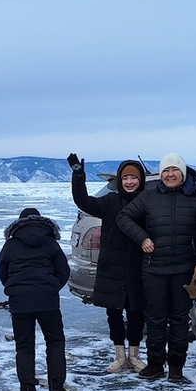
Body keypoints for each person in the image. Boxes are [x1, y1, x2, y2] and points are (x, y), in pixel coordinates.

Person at [116, 153, 196, 383]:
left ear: (182, 173)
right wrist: (142, 238)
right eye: (166, 171)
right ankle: (156, 364)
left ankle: (176, 366)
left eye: (174, 170)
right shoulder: (148, 197)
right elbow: (123, 217)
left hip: (183, 271)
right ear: (161, 174)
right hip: (154, 270)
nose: (170, 175)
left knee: (179, 320)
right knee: (156, 319)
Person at [68, 153, 148, 373]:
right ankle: (119, 357)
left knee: (136, 313)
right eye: (125, 178)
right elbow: (83, 201)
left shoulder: (148, 201)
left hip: (138, 266)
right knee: (113, 313)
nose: (129, 182)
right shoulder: (110, 201)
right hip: (112, 266)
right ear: (121, 180)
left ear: (140, 180)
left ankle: (135, 356)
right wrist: (78, 176)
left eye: (133, 178)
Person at [0, 207, 73, 391]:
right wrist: (51, 287)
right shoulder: (50, 243)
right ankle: (57, 390)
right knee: (55, 342)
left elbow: (3, 273)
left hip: (20, 301)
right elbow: (63, 271)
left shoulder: (10, 245)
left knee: (24, 347)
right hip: (47, 300)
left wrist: (14, 290)